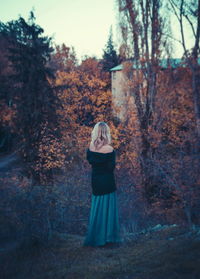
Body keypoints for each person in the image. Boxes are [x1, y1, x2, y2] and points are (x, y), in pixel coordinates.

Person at [83, 121, 122, 247]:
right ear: (106, 133)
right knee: (108, 212)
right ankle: (109, 238)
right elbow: (111, 168)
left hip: (95, 182)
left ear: (96, 132)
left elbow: (92, 162)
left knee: (96, 210)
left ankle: (95, 238)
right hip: (108, 183)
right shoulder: (110, 150)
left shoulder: (90, 148)